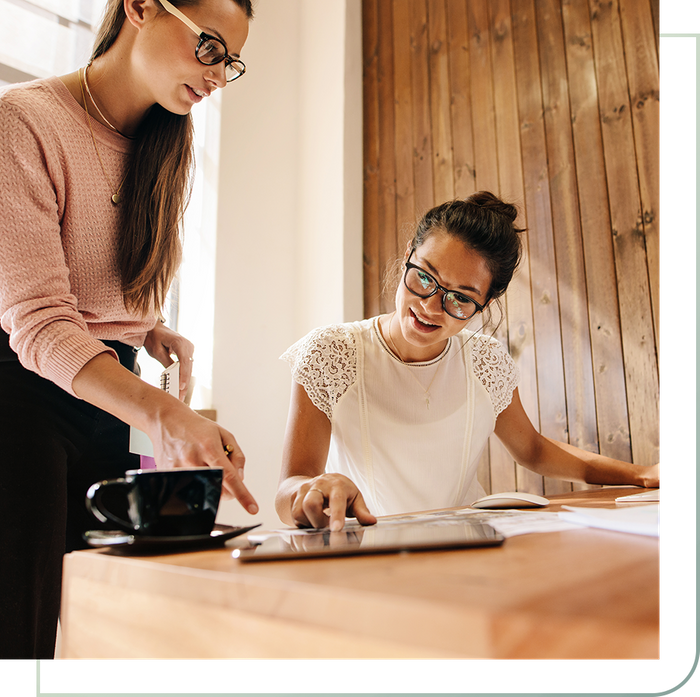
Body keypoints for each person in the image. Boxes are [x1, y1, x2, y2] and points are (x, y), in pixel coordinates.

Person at [0, 0, 257, 661]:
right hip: (21, 393)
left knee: (96, 616)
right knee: (20, 625)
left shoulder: (165, 145)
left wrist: (149, 328)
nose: (217, 76)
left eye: (230, 63)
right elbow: (39, 318)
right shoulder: (21, 121)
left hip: (105, 392)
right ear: (140, 6)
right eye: (210, 48)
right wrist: (169, 417)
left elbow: (94, 276)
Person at [276, 191, 661, 532]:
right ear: (410, 254)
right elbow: (290, 484)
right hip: (373, 548)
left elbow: (534, 450)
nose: (430, 307)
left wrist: (640, 474)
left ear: (485, 304)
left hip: (469, 543)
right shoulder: (331, 352)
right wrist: (311, 491)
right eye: (425, 277)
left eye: (460, 297)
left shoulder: (484, 359)